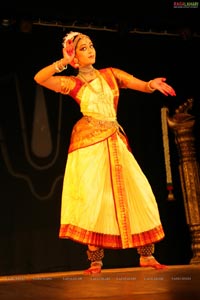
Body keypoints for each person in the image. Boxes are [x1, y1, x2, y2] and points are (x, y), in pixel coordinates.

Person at [34, 31, 176, 275]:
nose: (90, 50)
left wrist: (151, 85)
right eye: (83, 48)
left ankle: (146, 255)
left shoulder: (110, 75)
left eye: (91, 46)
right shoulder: (73, 83)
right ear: (74, 56)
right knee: (93, 199)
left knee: (137, 191)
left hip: (115, 140)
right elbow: (40, 78)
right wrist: (63, 63)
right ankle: (95, 261)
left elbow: (140, 85)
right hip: (89, 146)